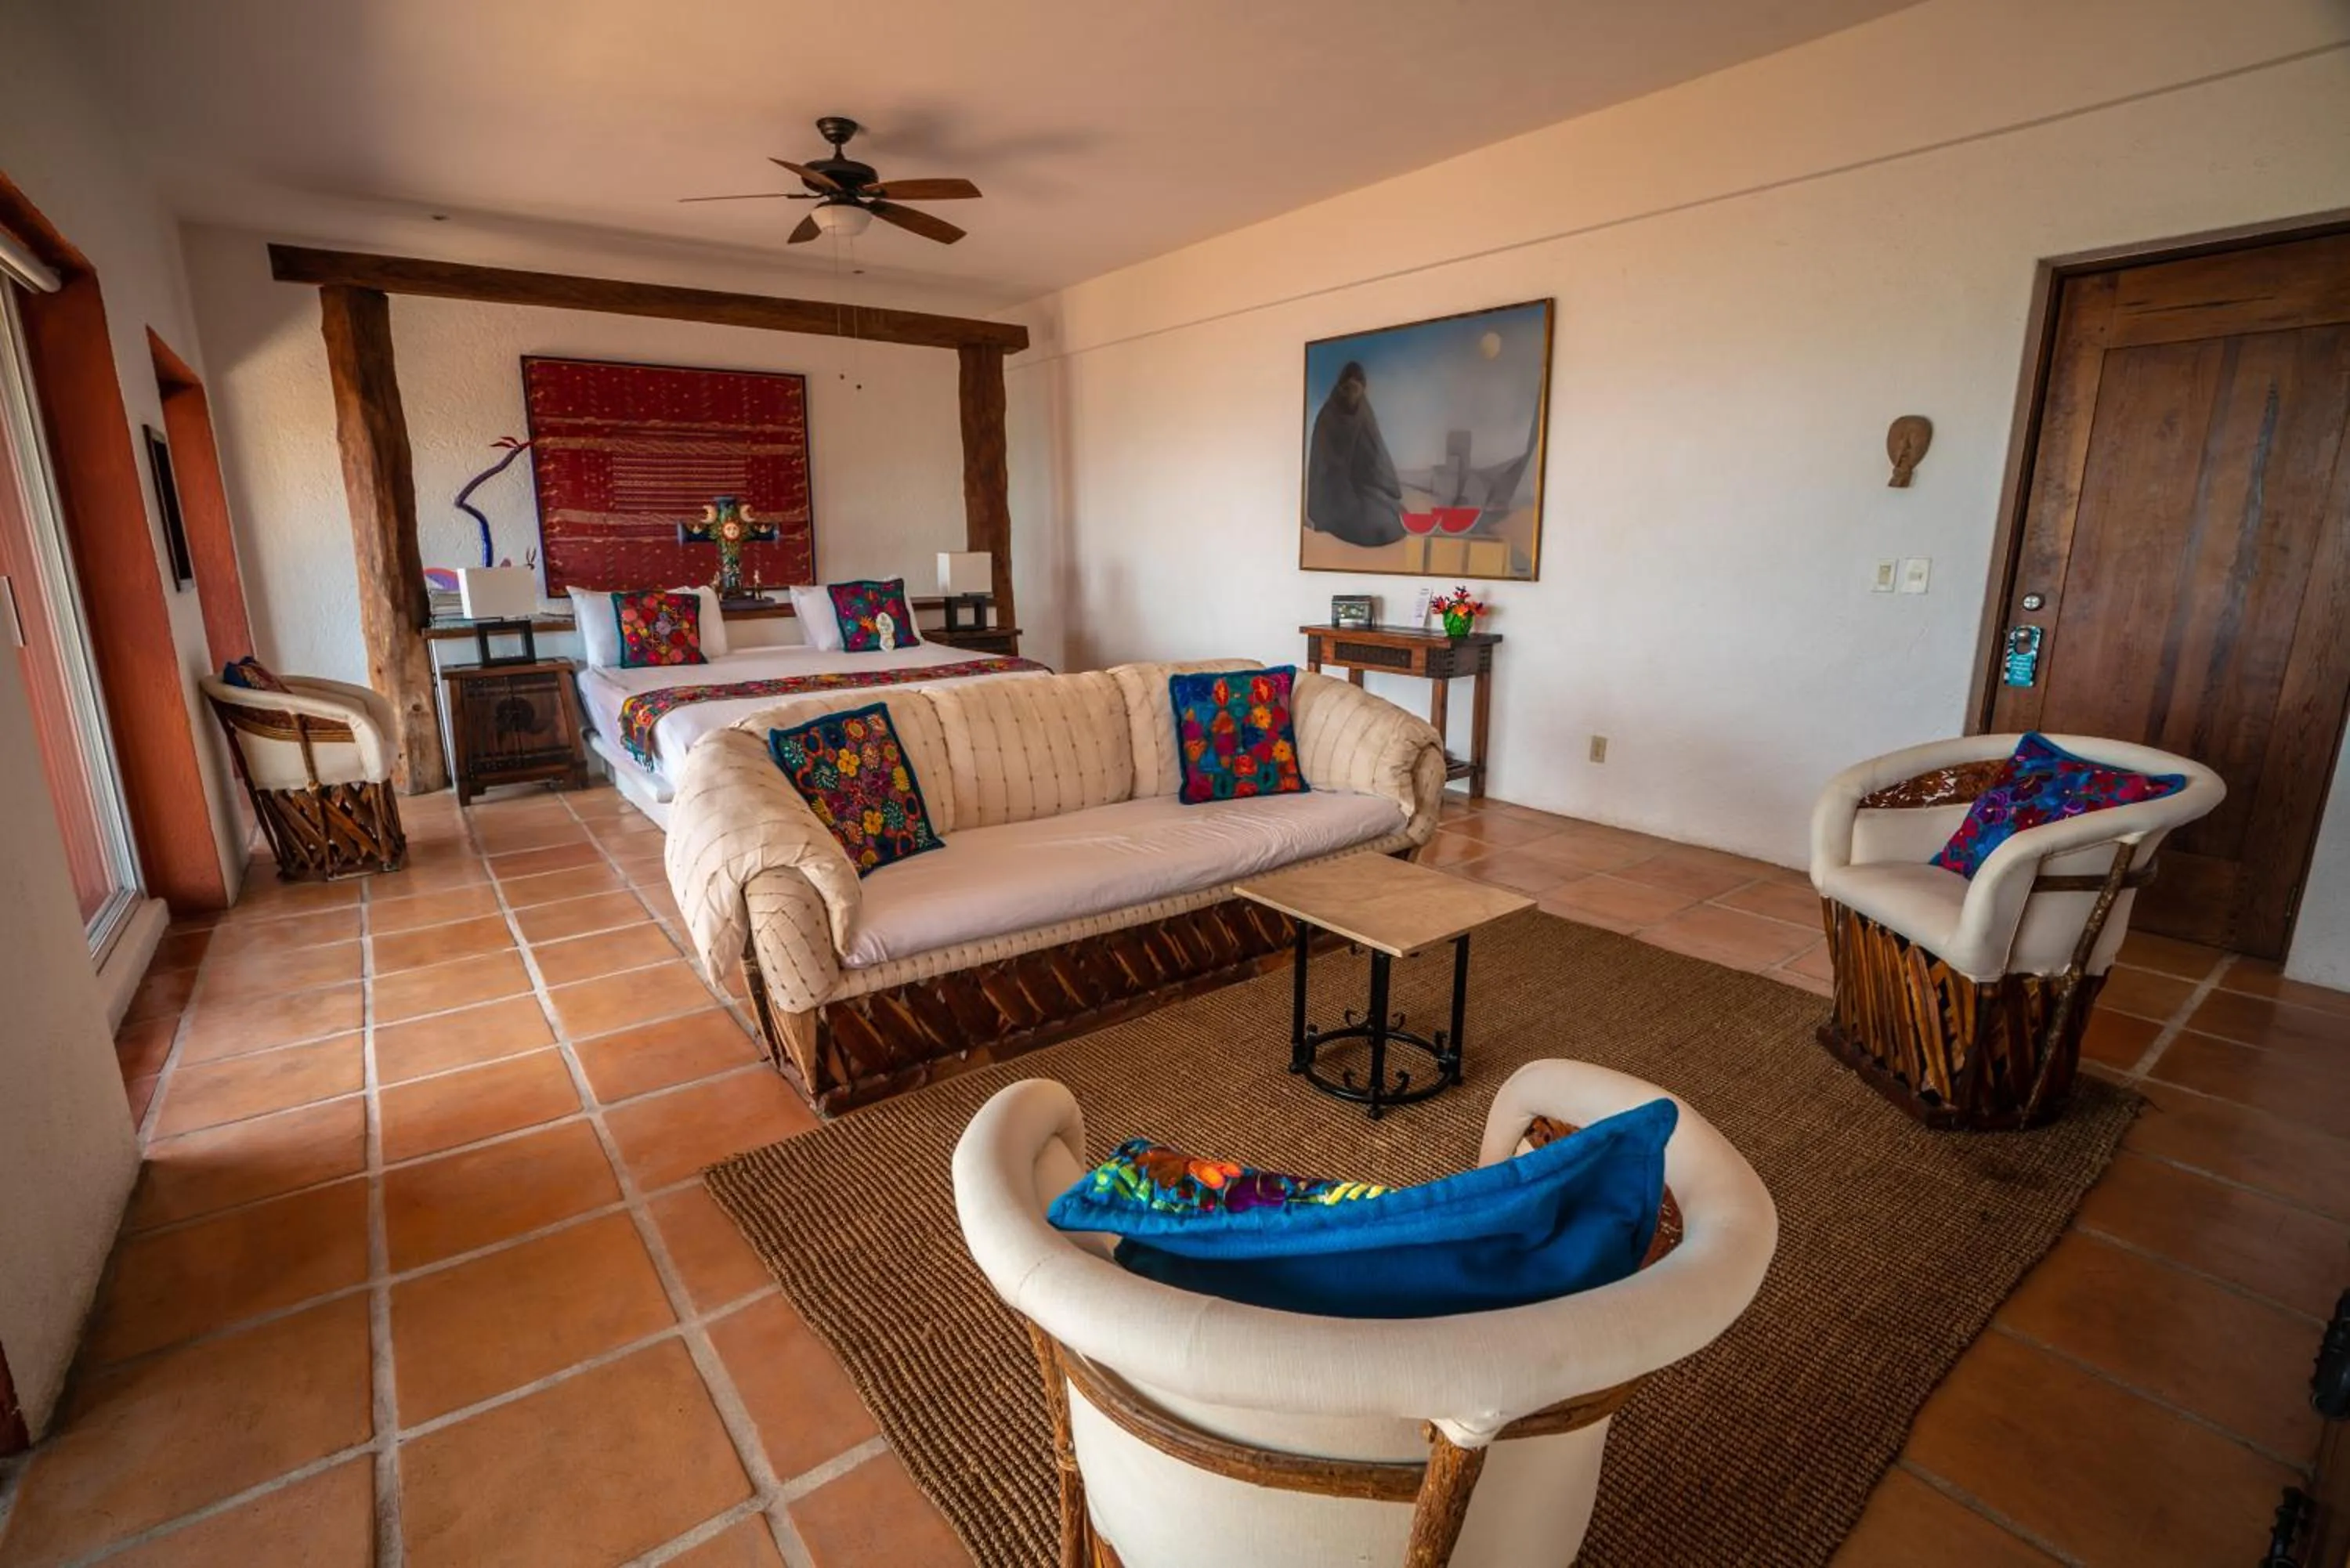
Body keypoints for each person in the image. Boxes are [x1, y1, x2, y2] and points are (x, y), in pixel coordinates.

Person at [1304, 360, 1405, 547]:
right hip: (1333, 494)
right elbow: (1325, 468)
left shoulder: (1363, 411)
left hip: (1363, 487)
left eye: (1357, 389)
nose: (1352, 394)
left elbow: (1375, 452)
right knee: (1377, 527)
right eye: (1348, 388)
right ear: (1341, 387)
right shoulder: (1328, 416)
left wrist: (1390, 489)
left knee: (1396, 519)